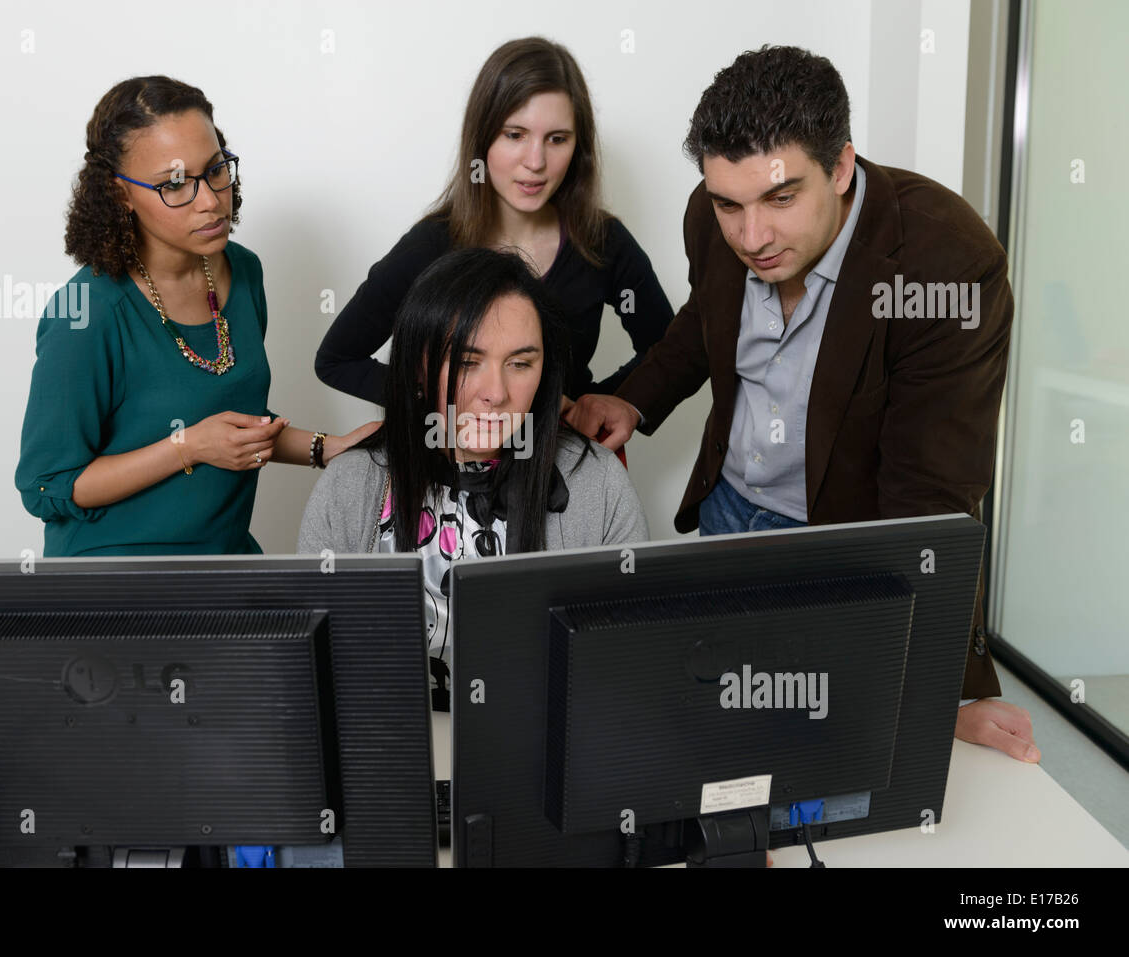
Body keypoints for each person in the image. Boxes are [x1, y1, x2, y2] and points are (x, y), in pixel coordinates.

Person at [567, 45, 1039, 762]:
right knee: (713, 741)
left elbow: (932, 501)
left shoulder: (948, 266)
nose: (751, 236)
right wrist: (635, 399)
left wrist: (935, 688)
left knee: (831, 758)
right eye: (731, 204)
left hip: (842, 546)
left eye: (781, 198)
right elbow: (706, 320)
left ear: (841, 167)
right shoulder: (712, 214)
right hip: (727, 518)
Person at [15, 76, 378, 557]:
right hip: (112, 580)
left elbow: (233, 421)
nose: (209, 200)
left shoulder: (242, 271)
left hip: (224, 560)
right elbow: (45, 486)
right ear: (120, 194)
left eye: (216, 170)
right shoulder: (85, 313)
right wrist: (186, 447)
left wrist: (326, 448)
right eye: (174, 184)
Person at [299, 247, 649, 710]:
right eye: (467, 362)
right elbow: (316, 672)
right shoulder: (350, 485)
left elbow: (625, 664)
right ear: (420, 366)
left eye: (521, 363)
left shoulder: (597, 483)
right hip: (391, 748)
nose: (496, 394)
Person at [314, 36, 672, 418]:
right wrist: (438, 402)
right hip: (453, 469)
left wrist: (611, 404)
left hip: (565, 464)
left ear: (577, 147)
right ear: (482, 138)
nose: (535, 161)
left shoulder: (603, 242)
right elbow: (337, 359)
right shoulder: (431, 245)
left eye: (557, 139)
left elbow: (670, 348)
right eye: (515, 135)